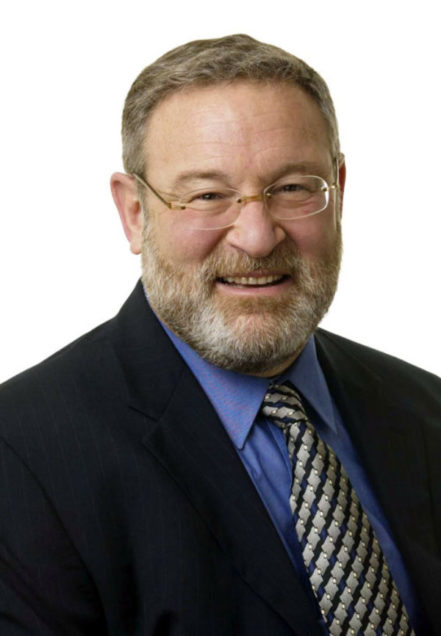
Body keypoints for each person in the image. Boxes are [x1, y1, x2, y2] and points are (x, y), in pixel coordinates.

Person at [0, 34, 439, 636]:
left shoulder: (426, 410)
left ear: (338, 191)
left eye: (292, 188)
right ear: (134, 213)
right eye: (207, 195)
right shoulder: (20, 457)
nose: (257, 237)